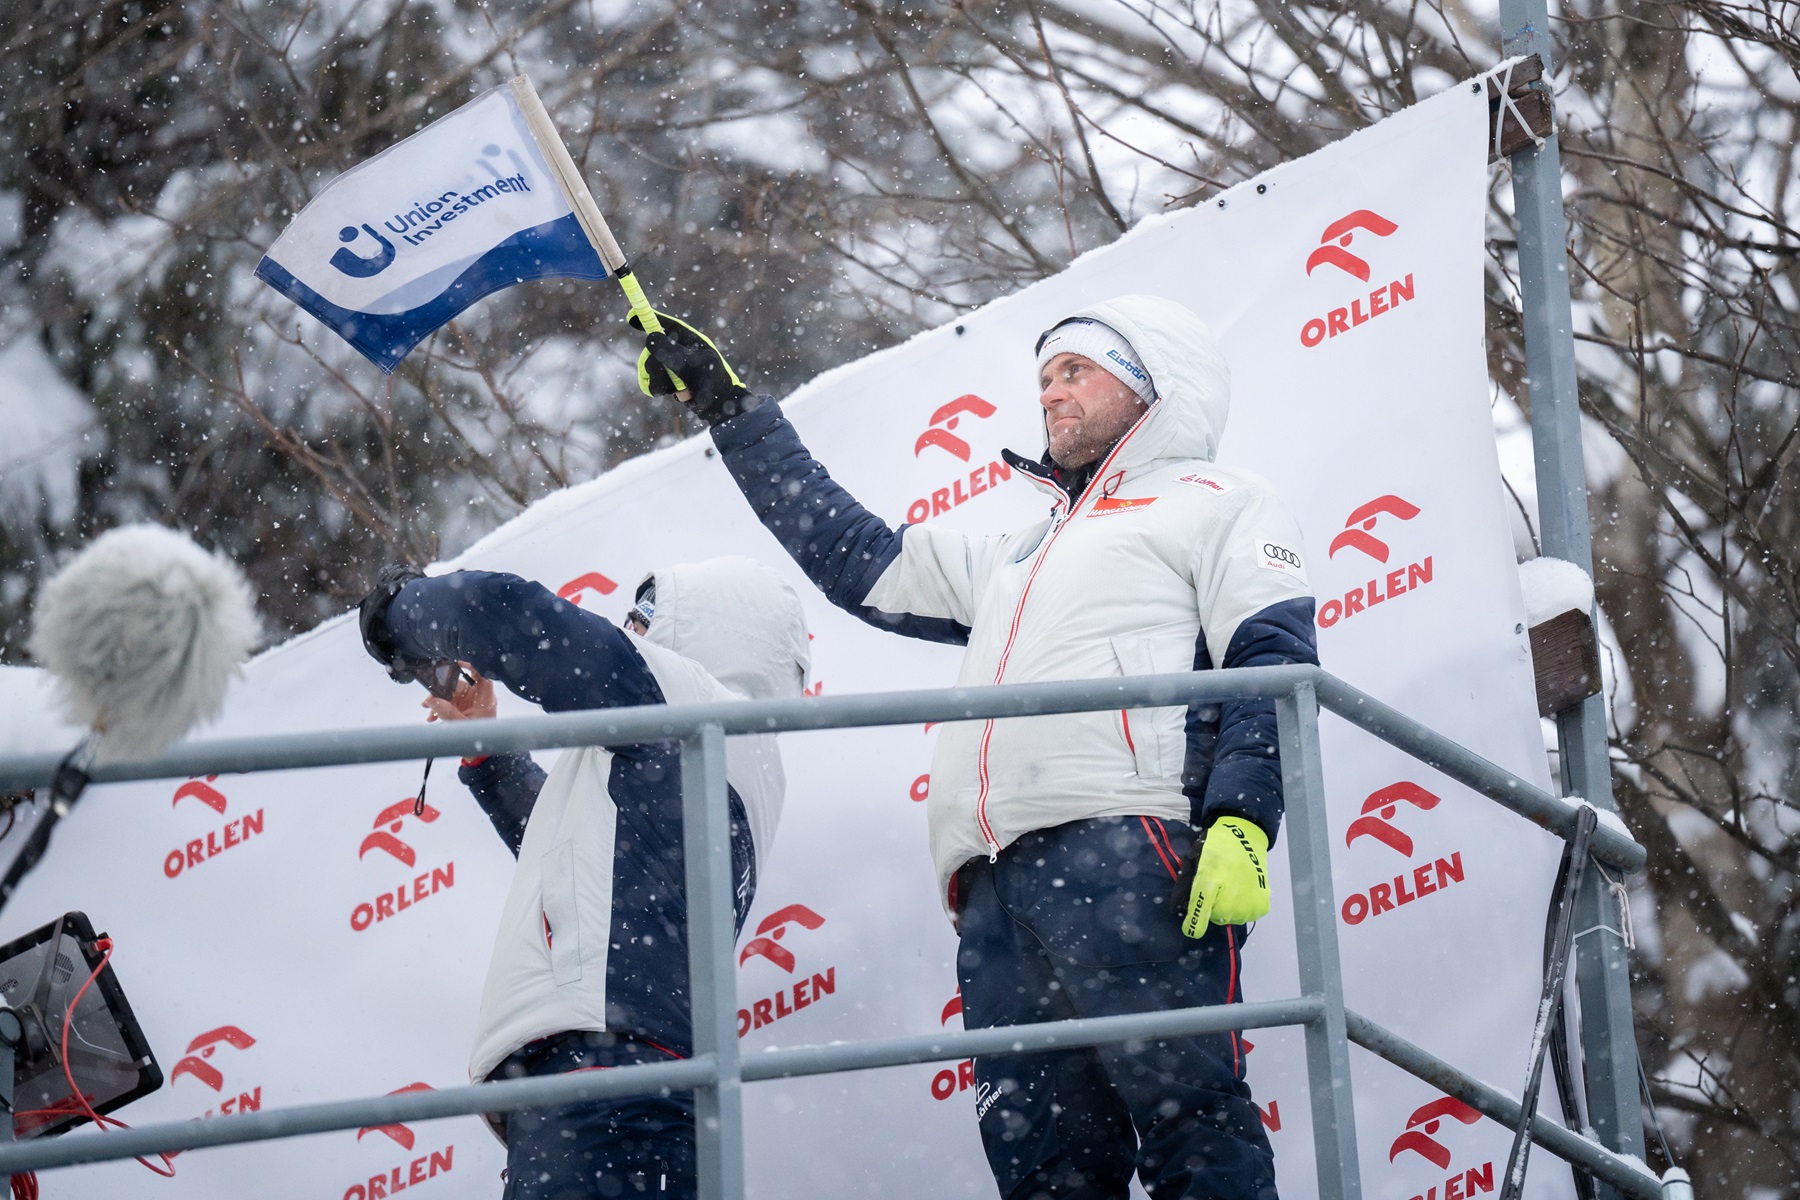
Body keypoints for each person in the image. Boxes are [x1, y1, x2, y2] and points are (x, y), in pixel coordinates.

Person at [636, 297, 1317, 1200]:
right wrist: (732, 411)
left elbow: (1271, 658)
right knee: (1048, 1171)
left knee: (1192, 1118)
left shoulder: (1216, 501)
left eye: (1077, 369)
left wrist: (1241, 822)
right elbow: (856, 557)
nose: (1053, 391)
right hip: (994, 890)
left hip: (1131, 852)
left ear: (1158, 385)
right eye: (1043, 378)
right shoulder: (1016, 551)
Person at [357, 557, 809, 1200]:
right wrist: (488, 750)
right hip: (625, 1090)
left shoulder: (689, 701)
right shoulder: (723, 750)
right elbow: (574, 863)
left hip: (606, 1087)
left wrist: (401, 614)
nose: (626, 627)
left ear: (718, 631)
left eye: (647, 617)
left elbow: (511, 616)